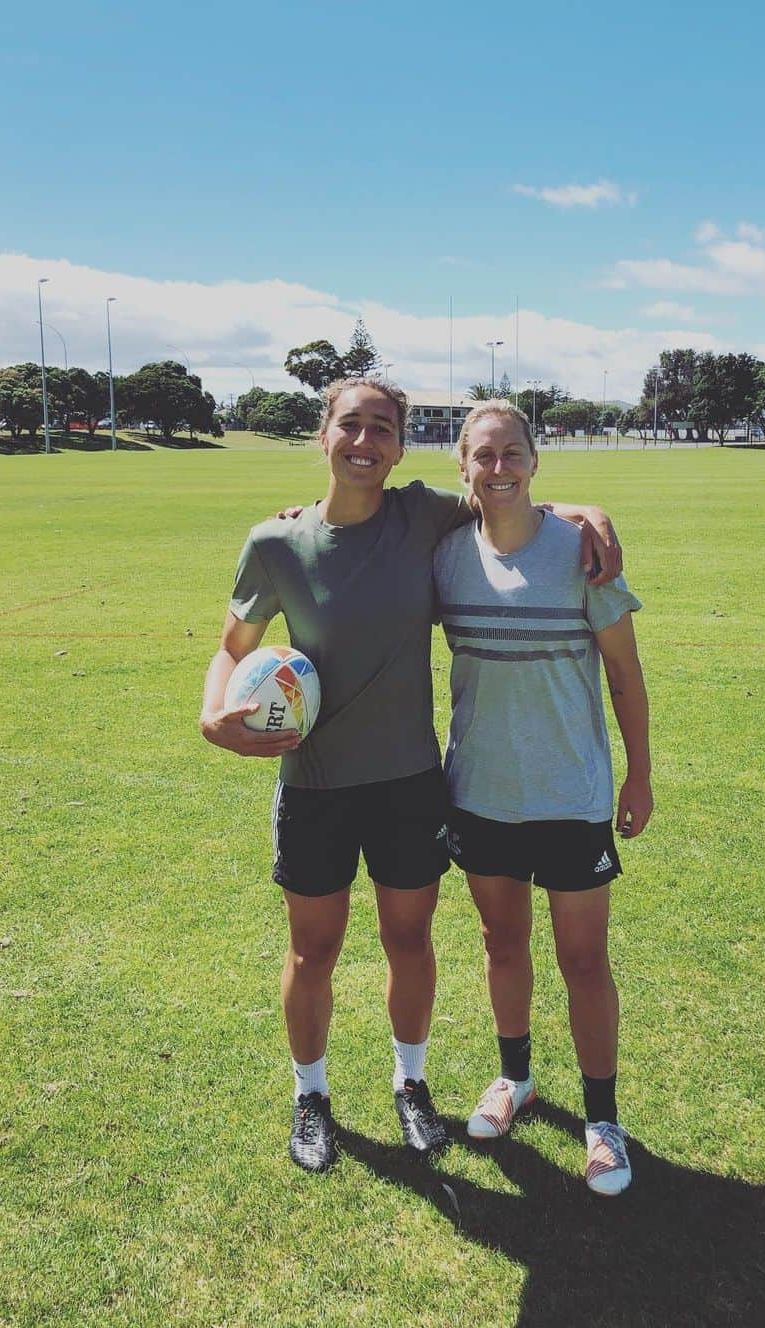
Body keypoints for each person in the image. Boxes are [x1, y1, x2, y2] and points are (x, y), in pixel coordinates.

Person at [199, 377, 621, 1175]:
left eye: (383, 430)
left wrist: (586, 513)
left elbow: (507, 496)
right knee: (312, 951)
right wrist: (212, 711)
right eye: (350, 427)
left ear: (399, 444)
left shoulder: (422, 515)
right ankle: (312, 1097)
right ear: (323, 436)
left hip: (409, 784)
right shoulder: (275, 543)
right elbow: (232, 644)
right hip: (315, 785)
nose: (366, 443)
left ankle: (412, 1084)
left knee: (409, 940)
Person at [433, 400, 652, 1196]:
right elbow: (371, 528)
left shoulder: (582, 554)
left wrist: (639, 773)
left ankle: (602, 1121)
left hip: (572, 796)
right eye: (483, 456)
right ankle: (515, 1078)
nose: (498, 468)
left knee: (585, 960)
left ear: (535, 459)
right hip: (481, 793)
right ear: (463, 466)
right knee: (502, 946)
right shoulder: (445, 554)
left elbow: (624, 675)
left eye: (512, 453)